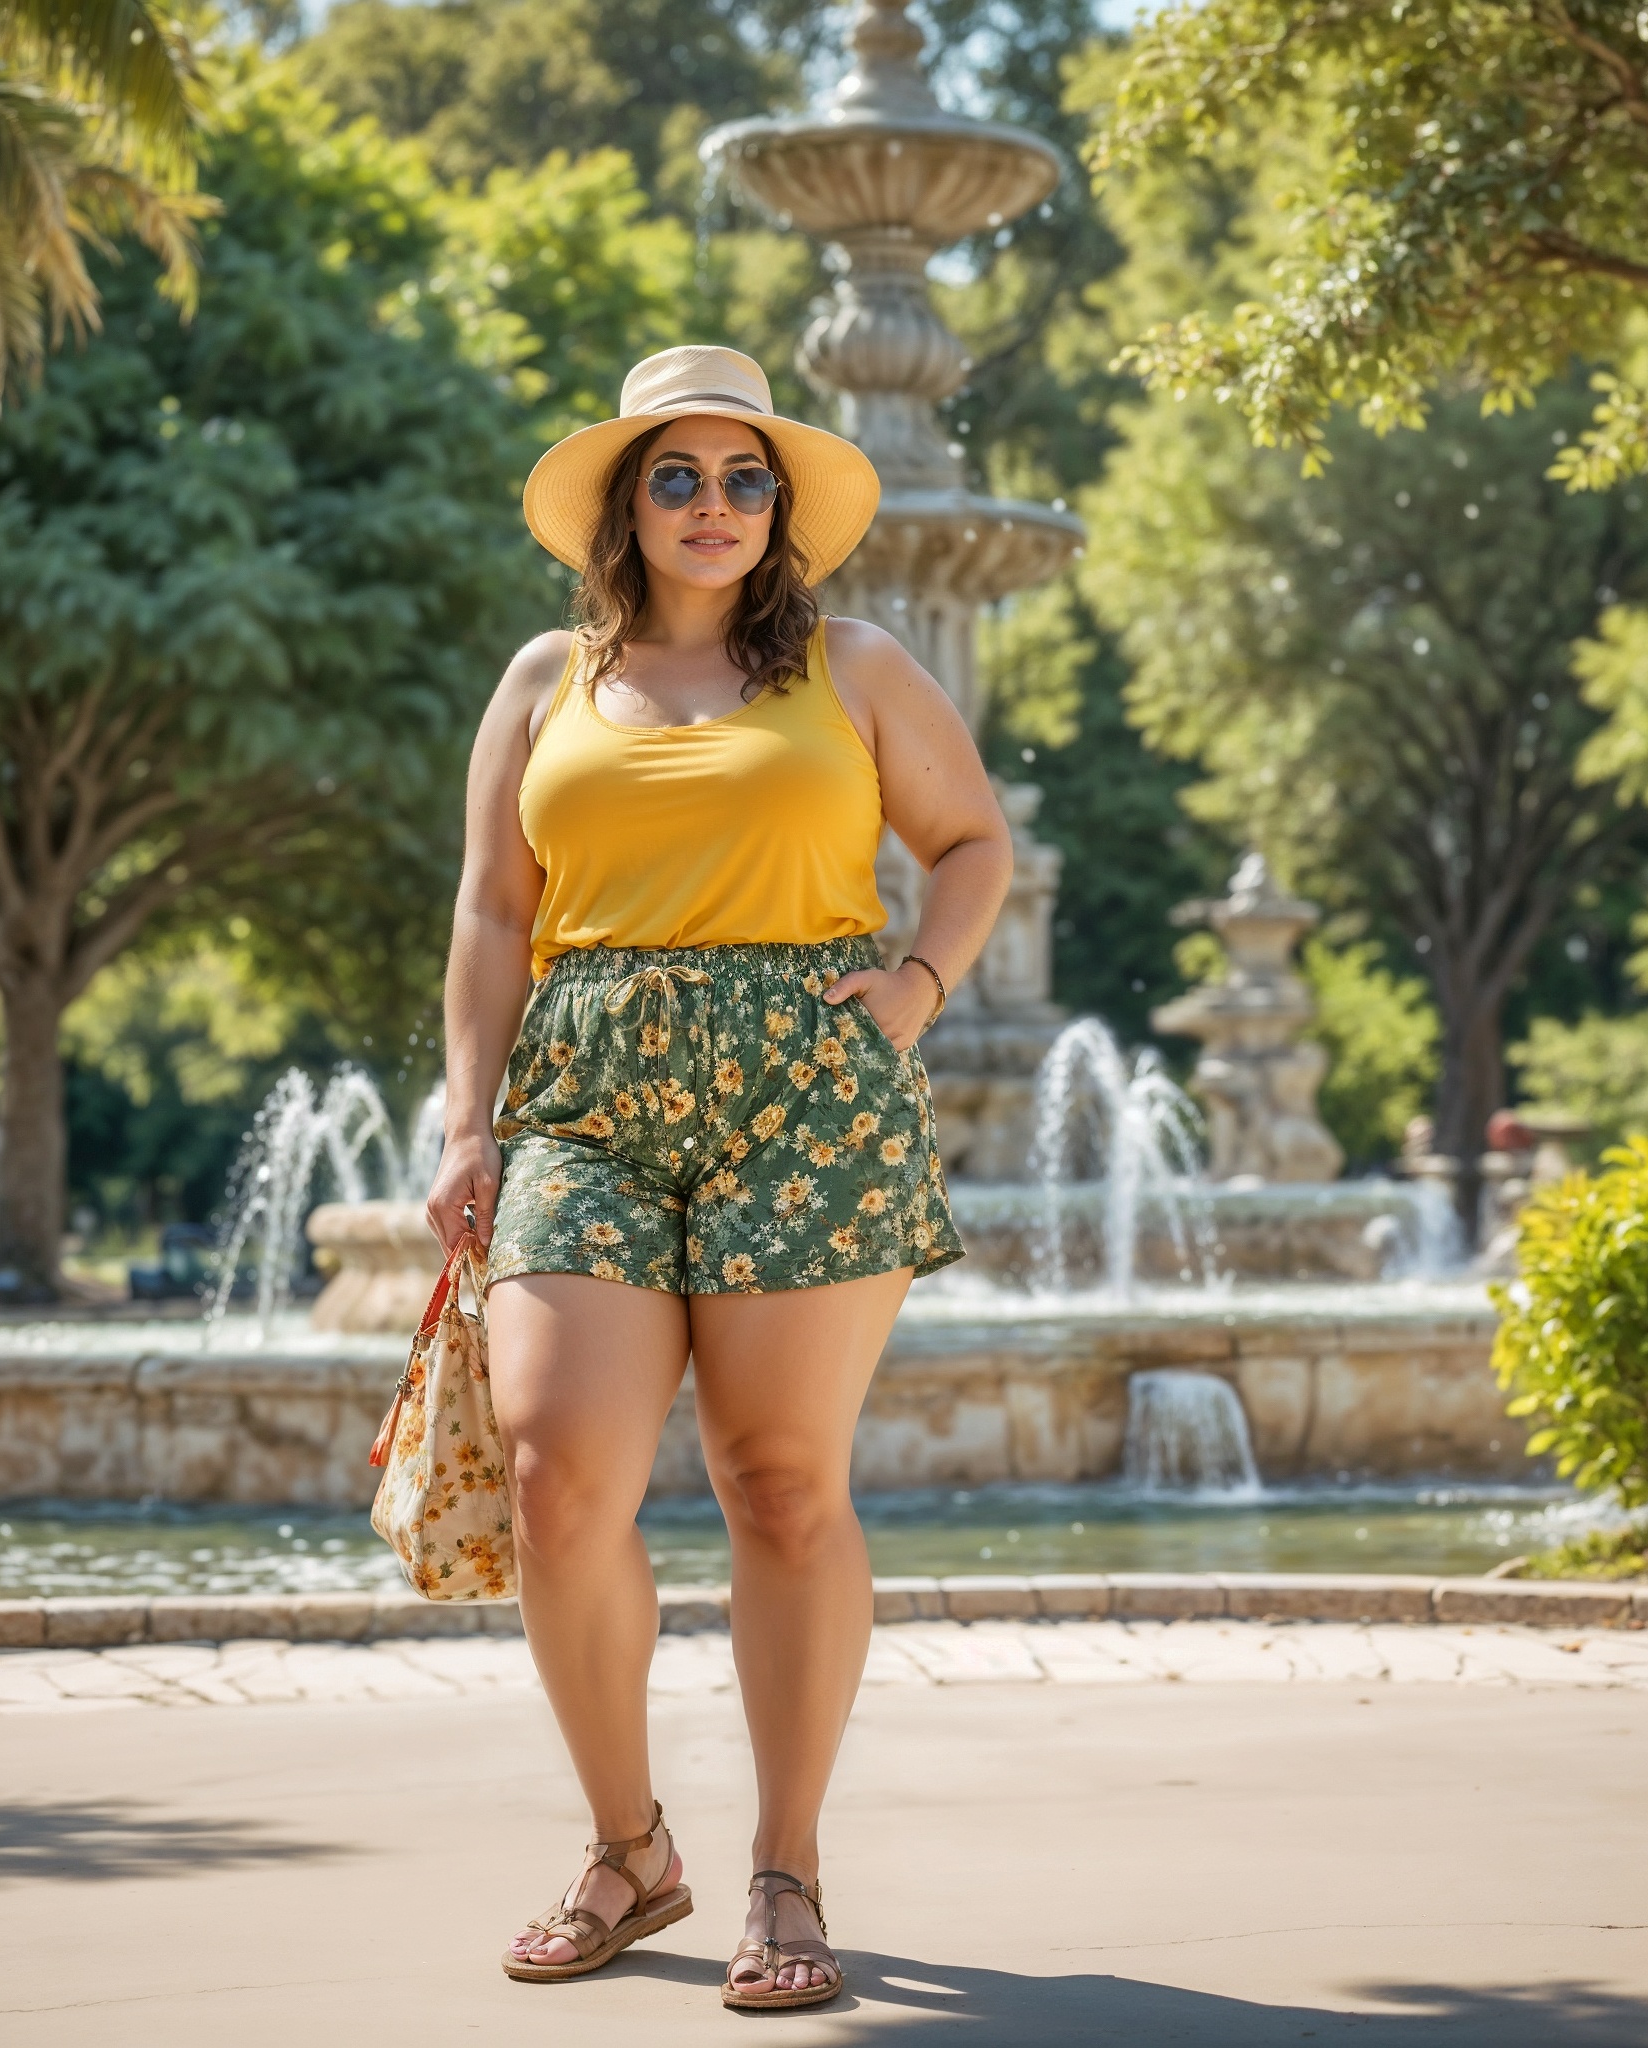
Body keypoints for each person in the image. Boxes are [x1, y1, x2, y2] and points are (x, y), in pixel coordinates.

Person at [426, 345, 1011, 2012]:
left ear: (780, 507)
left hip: (806, 1094)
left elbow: (972, 846)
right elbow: (490, 909)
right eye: (675, 475)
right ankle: (631, 1850)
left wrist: (914, 989)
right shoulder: (545, 676)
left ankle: (787, 1868)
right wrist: (469, 1123)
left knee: (777, 1481)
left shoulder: (858, 664)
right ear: (626, 503)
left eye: (743, 476)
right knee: (557, 1479)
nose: (712, 503)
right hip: (585, 1092)